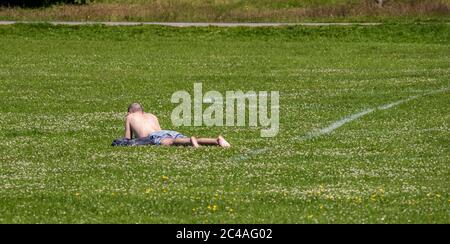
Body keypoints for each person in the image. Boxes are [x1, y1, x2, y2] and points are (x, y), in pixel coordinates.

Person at [112, 103, 231, 148]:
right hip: (166, 132)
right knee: (179, 140)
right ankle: (216, 141)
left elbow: (127, 139)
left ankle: (191, 140)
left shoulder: (130, 117)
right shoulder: (152, 115)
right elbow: (159, 130)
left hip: (153, 137)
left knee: (172, 143)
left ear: (130, 111)